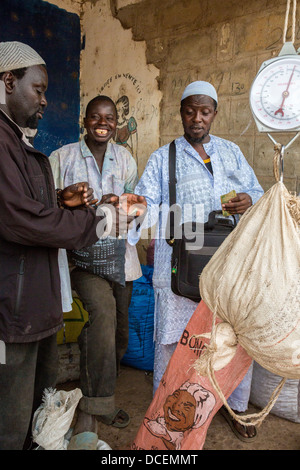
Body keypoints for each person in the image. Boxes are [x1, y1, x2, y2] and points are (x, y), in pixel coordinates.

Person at [127, 80, 264, 441]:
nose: (197, 118)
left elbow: (258, 193)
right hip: (179, 269)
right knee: (173, 343)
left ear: (214, 113)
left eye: (205, 112)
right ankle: (166, 408)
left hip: (227, 266)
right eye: (190, 111)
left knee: (231, 339)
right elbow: (144, 202)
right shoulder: (163, 157)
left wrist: (247, 200)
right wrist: (134, 209)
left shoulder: (232, 153)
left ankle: (236, 408)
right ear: (181, 113)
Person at [0, 41, 106, 450]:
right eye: (38, 89)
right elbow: (18, 219)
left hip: (35, 306)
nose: (44, 100)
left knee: (36, 413)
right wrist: (94, 219)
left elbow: (25, 205)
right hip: (13, 310)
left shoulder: (18, 141)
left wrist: (60, 199)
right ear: (9, 81)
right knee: (10, 420)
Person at [49, 95, 142, 435]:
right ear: (83, 120)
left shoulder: (126, 159)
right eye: (95, 116)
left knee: (118, 330)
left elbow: (136, 202)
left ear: (117, 123)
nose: (102, 123)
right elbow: (46, 205)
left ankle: (101, 388)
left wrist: (127, 207)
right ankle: (95, 404)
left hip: (118, 259)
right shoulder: (62, 157)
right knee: (101, 311)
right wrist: (71, 201)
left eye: (109, 118)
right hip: (80, 259)